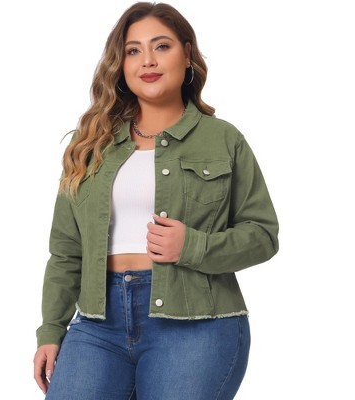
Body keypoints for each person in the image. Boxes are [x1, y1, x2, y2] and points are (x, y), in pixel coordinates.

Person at [33, 2, 279, 399]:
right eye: (133, 50)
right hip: (97, 325)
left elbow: (263, 235)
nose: (147, 60)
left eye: (161, 46)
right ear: (121, 65)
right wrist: (51, 329)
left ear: (187, 54)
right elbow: (65, 251)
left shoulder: (223, 139)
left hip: (197, 324)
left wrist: (193, 246)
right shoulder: (90, 144)